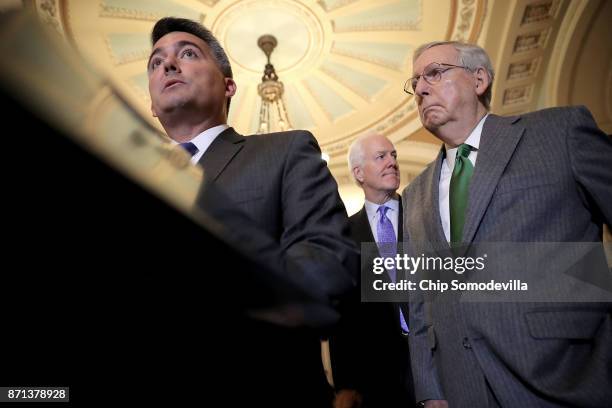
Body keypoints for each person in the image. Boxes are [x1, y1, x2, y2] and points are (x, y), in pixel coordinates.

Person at [147, 17, 358, 406]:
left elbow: (327, 262)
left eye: (188, 54)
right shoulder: (137, 174)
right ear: (152, 107)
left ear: (229, 86)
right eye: (156, 62)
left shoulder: (287, 151)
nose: (168, 65)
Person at [402, 40, 612, 407]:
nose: (420, 89)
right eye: (416, 82)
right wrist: (429, 390)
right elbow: (421, 301)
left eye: (434, 73)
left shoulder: (558, 133)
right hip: (462, 389)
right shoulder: (414, 193)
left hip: (566, 379)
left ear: (479, 79)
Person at [330, 132, 415, 408]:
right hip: (378, 380)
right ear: (358, 173)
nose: (391, 162)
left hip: (438, 364)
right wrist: (345, 384)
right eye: (381, 157)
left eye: (393, 155)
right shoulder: (345, 233)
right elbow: (342, 313)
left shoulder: (424, 214)